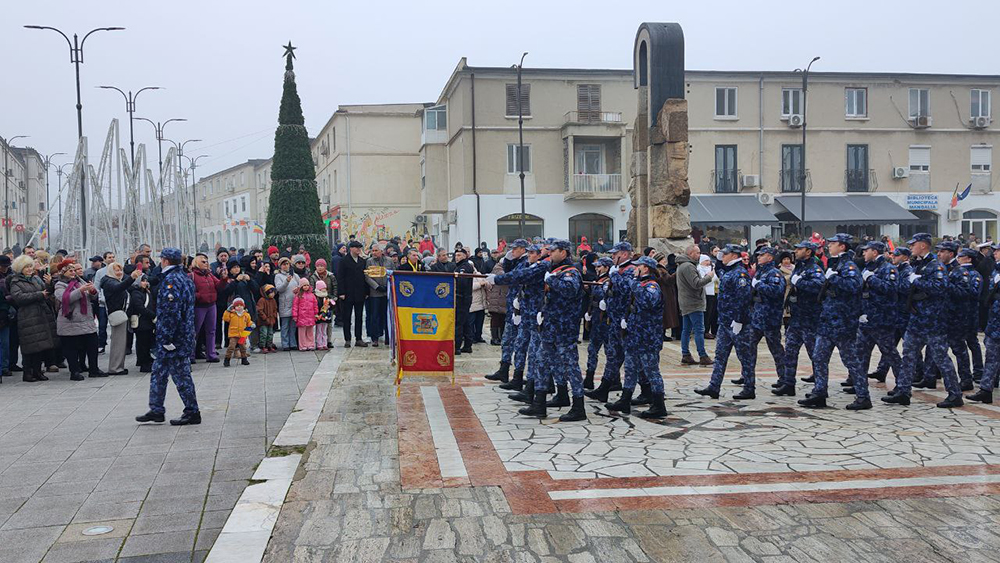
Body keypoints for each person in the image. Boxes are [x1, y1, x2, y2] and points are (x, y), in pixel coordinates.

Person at [884, 233, 964, 408]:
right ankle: (903, 391)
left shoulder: (936, 266)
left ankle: (955, 394)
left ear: (922, 245)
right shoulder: (917, 265)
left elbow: (940, 287)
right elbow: (905, 287)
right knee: (908, 356)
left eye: (914, 244)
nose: (911, 247)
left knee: (941, 358)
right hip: (916, 319)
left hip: (933, 321)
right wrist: (911, 281)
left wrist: (918, 282)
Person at [515, 239, 589, 421]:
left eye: (553, 251)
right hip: (549, 326)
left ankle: (578, 406)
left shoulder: (571, 272)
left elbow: (569, 290)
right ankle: (539, 404)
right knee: (542, 362)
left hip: (565, 328)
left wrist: (551, 280)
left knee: (570, 366)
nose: (549, 254)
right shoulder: (552, 270)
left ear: (563, 252)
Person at [799, 233, 870, 410]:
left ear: (843, 246)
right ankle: (820, 392)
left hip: (842, 322)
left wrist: (833, 278)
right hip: (828, 321)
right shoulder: (836, 264)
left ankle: (863, 396)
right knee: (819, 357)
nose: (829, 246)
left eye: (833, 243)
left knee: (850, 360)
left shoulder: (849, 266)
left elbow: (854, 286)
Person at [136, 248, 200, 426]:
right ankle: (156, 409)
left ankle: (192, 411)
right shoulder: (184, 278)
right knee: (159, 371)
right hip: (180, 334)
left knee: (181, 375)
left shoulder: (171, 280)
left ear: (164, 261)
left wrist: (166, 339)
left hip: (174, 337)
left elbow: (171, 313)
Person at [607, 255, 669, 418]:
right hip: (634, 336)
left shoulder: (652, 286)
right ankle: (625, 400)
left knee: (651, 371)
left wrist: (634, 281)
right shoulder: (640, 284)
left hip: (647, 337)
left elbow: (647, 300)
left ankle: (658, 405)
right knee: (630, 368)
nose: (635, 268)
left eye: (638, 266)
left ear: (645, 268)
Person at [695, 244, 753, 399]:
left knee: (745, 356)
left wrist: (739, 320)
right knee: (720, 356)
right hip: (725, 322)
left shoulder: (740, 274)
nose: (722, 256)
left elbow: (744, 298)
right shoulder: (729, 271)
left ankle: (749, 388)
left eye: (725, 254)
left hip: (737, 323)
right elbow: (720, 270)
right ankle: (714, 386)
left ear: (734, 256)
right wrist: (719, 261)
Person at [584, 242, 636, 403]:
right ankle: (604, 388)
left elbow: (626, 289)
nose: (612, 257)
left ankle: (641, 391)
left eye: (615, 254)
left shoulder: (630, 270)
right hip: (613, 320)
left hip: (625, 321)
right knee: (613, 356)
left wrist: (614, 275)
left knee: (632, 359)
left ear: (625, 254)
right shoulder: (619, 270)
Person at [733, 247, 787, 399]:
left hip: (770, 318)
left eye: (762, 255)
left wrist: (758, 285)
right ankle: (748, 382)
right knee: (748, 350)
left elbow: (776, 292)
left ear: (770, 257)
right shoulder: (760, 272)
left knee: (776, 350)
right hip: (757, 318)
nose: (758, 257)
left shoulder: (774, 273)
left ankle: (784, 379)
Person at [853, 241, 902, 398]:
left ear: (875, 252)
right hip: (867, 318)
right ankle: (859, 385)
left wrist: (871, 279)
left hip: (882, 319)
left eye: (866, 251)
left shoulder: (888, 268)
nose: (863, 254)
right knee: (860, 353)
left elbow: (891, 288)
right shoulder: (869, 268)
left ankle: (902, 386)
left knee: (890, 353)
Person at [777, 241, 825, 395]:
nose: (796, 251)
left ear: (808, 252)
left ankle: (820, 388)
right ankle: (788, 383)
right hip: (796, 318)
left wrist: (800, 282)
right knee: (790, 352)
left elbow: (819, 287)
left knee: (815, 355)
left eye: (799, 249)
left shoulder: (814, 268)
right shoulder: (800, 267)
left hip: (810, 319)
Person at [8, 255, 58, 382]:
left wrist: (48, 284)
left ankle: (37, 371)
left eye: (30, 266)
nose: (30, 269)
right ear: (20, 269)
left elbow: (46, 293)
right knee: (29, 346)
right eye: (26, 267)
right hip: (28, 316)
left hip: (40, 315)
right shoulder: (15, 282)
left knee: (40, 345)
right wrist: (39, 295)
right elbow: (19, 298)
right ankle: (28, 372)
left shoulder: (35, 279)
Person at [939, 243, 982, 391]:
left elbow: (971, 294)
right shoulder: (953, 271)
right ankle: (931, 375)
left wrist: (945, 284)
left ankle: (970, 376)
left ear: (968, 258)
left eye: (961, 256)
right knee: (943, 347)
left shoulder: (971, 274)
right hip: (951, 315)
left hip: (964, 315)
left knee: (966, 346)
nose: (959, 258)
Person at [53, 259, 100, 381]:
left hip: (86, 319)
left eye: (74, 270)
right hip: (70, 321)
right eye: (70, 270)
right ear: (64, 272)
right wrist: (81, 290)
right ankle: (74, 371)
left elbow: (91, 296)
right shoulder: (59, 284)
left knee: (92, 344)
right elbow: (65, 298)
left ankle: (94, 369)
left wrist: (93, 291)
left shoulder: (80, 281)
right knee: (71, 348)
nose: (73, 272)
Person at [968, 243, 1000, 404]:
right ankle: (987, 388)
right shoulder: (996, 269)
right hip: (995, 320)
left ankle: (987, 387)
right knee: (992, 354)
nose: (994, 253)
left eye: (998, 251)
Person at [675, 244, 714, 366]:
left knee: (686, 330)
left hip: (687, 302)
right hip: (693, 302)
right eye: (697, 253)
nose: (699, 255)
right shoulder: (688, 267)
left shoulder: (684, 265)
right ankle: (702, 355)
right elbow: (696, 283)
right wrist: (709, 277)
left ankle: (686, 354)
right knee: (698, 330)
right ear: (690, 253)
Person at [103, 262, 140, 375]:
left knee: (120, 342)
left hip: (120, 313)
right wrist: (132, 278)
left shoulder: (113, 281)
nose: (119, 273)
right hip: (117, 313)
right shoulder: (109, 282)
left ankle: (118, 366)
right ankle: (115, 368)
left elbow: (124, 287)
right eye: (116, 271)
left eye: (120, 270)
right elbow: (119, 288)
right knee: (118, 343)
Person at [190, 254, 227, 363]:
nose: (206, 263)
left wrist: (224, 279)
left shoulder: (209, 275)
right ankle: (190, 354)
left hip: (211, 305)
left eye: (206, 261)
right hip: (199, 306)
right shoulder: (192, 275)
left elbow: (219, 286)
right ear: (196, 263)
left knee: (211, 330)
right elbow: (190, 291)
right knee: (194, 331)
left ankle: (211, 354)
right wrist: (199, 296)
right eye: (203, 262)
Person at [583, 257, 612, 389]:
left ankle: (612, 379)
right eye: (596, 267)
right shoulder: (599, 280)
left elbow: (603, 294)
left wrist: (593, 287)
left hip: (604, 321)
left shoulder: (607, 281)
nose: (596, 269)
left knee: (609, 351)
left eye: (599, 267)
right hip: (595, 318)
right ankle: (589, 377)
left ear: (606, 267)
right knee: (592, 349)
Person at [337, 240, 368, 347]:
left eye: (360, 248)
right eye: (356, 247)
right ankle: (347, 339)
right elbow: (340, 277)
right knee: (347, 317)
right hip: (347, 293)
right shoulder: (344, 260)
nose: (358, 249)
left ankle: (359, 338)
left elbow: (366, 277)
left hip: (360, 293)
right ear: (351, 248)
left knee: (359, 317)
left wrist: (366, 292)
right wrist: (341, 292)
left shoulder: (362, 261)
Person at [128, 270, 157, 373]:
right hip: (142, 322)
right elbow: (140, 307)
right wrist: (153, 315)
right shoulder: (136, 293)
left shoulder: (146, 292)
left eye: (146, 281)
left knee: (146, 342)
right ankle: (144, 363)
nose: (146, 283)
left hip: (147, 322)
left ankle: (145, 360)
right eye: (143, 281)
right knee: (142, 343)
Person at [365, 244, 393, 347]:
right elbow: (367, 277)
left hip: (387, 292)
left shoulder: (389, 261)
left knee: (387, 315)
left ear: (382, 251)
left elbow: (393, 274)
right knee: (374, 316)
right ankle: (375, 338)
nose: (374, 252)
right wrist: (376, 286)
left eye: (376, 250)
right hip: (375, 292)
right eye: (373, 250)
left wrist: (387, 286)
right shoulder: (369, 261)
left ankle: (388, 337)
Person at [309, 258, 337, 348]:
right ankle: (318, 342)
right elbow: (311, 289)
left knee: (328, 322)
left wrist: (333, 298)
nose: (320, 268)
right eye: (318, 266)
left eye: (322, 266)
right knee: (319, 323)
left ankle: (328, 341)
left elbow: (335, 287)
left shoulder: (331, 276)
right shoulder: (313, 277)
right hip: (318, 302)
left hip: (328, 301)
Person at [453, 248, 476, 354]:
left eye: (459, 255)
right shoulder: (460, 266)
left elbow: (462, 282)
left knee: (459, 323)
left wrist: (455, 278)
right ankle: (467, 345)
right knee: (465, 322)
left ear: (465, 256)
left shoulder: (464, 267)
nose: (457, 257)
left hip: (462, 297)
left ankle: (457, 347)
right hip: (462, 297)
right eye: (456, 255)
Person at [274, 257, 300, 350]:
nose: (286, 266)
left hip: (294, 304)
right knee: (285, 326)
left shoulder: (295, 276)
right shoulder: (278, 276)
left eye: (287, 264)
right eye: (284, 264)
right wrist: (286, 281)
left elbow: (300, 285)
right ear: (280, 266)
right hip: (284, 304)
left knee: (293, 326)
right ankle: (285, 344)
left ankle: (293, 343)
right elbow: (279, 289)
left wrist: (298, 289)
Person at [222, 297, 255, 366]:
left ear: (243, 306)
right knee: (231, 347)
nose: (239, 307)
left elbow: (249, 322)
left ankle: (244, 359)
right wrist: (227, 311)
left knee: (243, 348)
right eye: (237, 306)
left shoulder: (246, 314)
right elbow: (225, 318)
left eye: (241, 305)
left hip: (243, 334)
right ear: (234, 307)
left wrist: (251, 324)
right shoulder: (232, 314)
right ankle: (227, 359)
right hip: (233, 334)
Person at [485, 258, 507, 346]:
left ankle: (501, 337)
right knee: (495, 319)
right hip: (496, 298)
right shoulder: (497, 268)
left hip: (503, 299)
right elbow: (502, 275)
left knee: (502, 319)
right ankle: (494, 338)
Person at [292, 278, 318, 350]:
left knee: (310, 332)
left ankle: (310, 344)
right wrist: (295, 315)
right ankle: (302, 345)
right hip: (302, 317)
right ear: (301, 287)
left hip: (310, 316)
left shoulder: (312, 295)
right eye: (304, 285)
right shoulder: (298, 296)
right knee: (302, 333)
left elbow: (315, 305)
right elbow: (295, 306)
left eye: (307, 285)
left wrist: (316, 313)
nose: (306, 287)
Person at [256, 284, 279, 352]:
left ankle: (269, 345)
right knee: (264, 334)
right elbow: (259, 310)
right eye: (271, 293)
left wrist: (274, 316)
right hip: (263, 321)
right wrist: (265, 318)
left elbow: (275, 309)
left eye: (273, 293)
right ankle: (262, 346)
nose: (272, 294)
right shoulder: (262, 300)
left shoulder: (273, 300)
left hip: (271, 320)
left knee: (270, 334)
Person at [314, 280, 334, 349]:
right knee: (319, 330)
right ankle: (319, 344)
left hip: (326, 316)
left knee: (324, 331)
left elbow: (332, 306)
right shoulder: (316, 297)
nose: (324, 289)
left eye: (325, 288)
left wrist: (331, 303)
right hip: (319, 316)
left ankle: (325, 343)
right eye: (323, 288)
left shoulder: (327, 296)